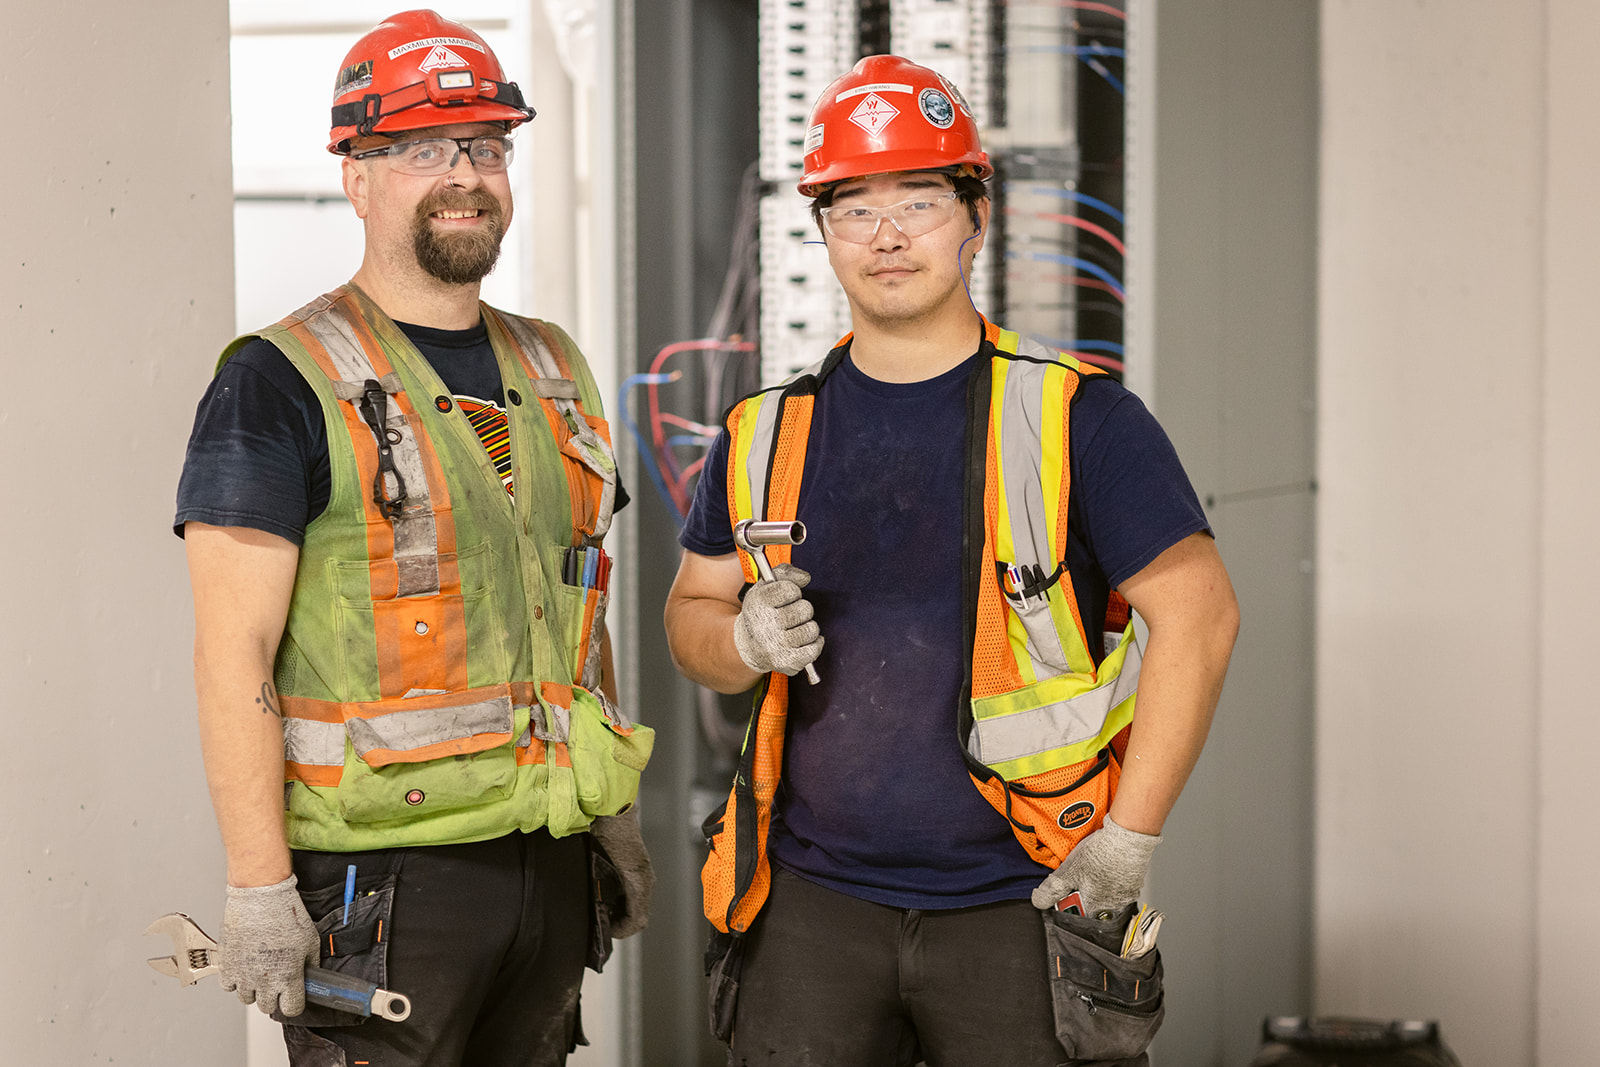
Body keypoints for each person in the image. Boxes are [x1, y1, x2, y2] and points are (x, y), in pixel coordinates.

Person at [664, 55, 1239, 1066]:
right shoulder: (759, 433)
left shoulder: (1078, 417)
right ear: (824, 232)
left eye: (919, 199)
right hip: (810, 905)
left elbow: (1201, 616)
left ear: (977, 214)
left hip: (1023, 896)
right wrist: (740, 637)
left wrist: (1130, 837)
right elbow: (692, 617)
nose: (886, 236)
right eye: (853, 209)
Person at [174, 11, 654, 1065]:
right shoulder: (277, 380)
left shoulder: (553, 365)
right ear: (356, 173)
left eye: (485, 146)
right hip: (382, 882)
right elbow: (232, 649)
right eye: (423, 149)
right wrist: (257, 882)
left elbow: (580, 599)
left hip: (544, 858)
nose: (463, 175)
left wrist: (609, 806)